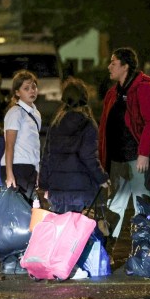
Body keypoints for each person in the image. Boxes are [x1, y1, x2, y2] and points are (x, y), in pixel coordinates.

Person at [98, 47, 150, 240]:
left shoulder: (144, 88)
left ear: (125, 66)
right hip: (118, 159)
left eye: (113, 63)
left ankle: (144, 248)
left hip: (137, 158)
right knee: (115, 203)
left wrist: (144, 153)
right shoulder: (113, 93)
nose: (109, 66)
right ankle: (107, 248)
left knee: (142, 204)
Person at [39, 77, 110, 214]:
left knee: (62, 232)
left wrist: (43, 184)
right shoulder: (88, 125)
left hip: (58, 192)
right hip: (81, 192)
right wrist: (102, 179)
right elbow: (89, 157)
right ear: (84, 99)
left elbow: (47, 157)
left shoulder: (55, 125)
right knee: (80, 233)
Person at [0, 69, 42, 274]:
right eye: (26, 88)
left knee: (27, 215)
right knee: (13, 216)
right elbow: (9, 145)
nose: (32, 90)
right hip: (15, 167)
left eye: (33, 86)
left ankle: (22, 257)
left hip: (29, 168)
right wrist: (9, 173)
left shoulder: (35, 112)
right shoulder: (15, 113)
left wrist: (38, 170)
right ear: (17, 92)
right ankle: (9, 260)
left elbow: (35, 146)